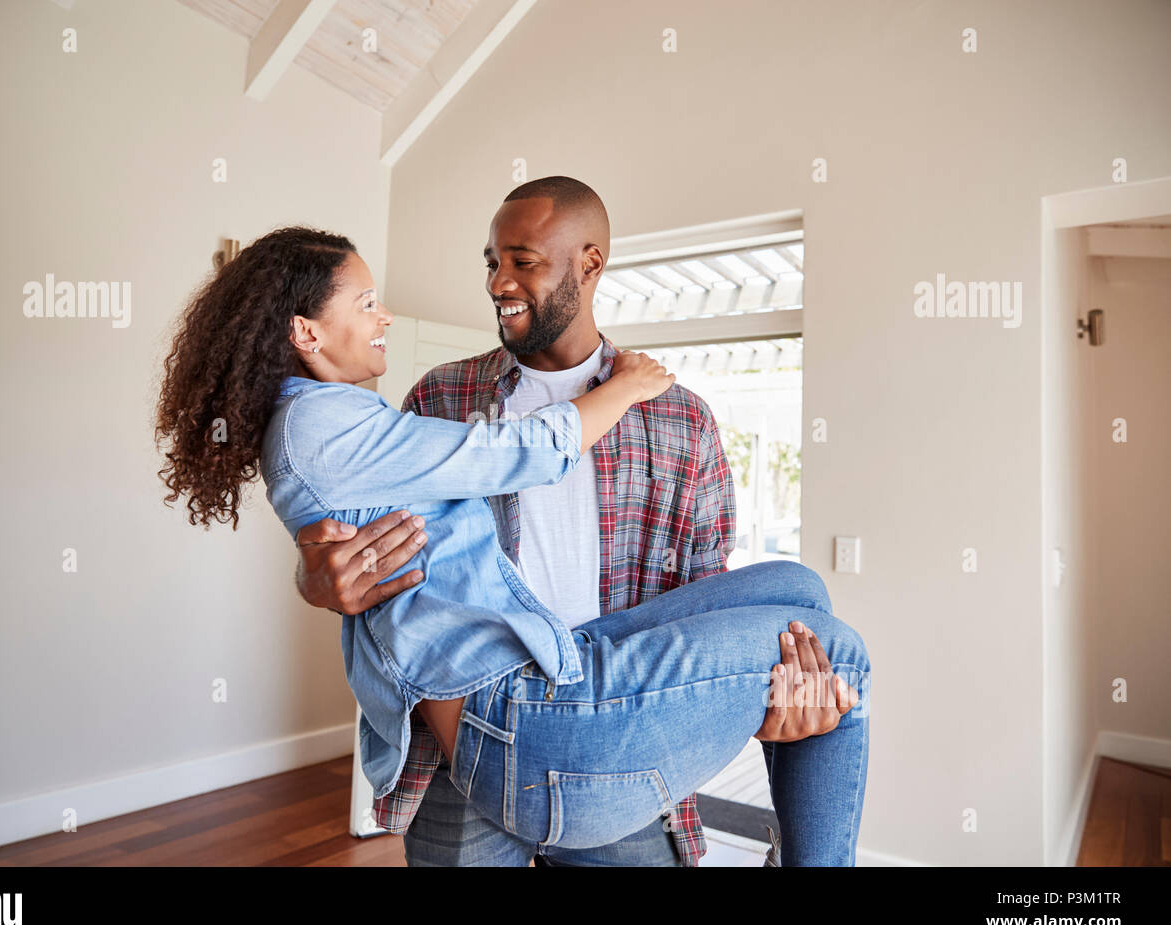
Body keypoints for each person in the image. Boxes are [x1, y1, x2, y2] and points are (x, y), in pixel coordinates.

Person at [155, 223, 872, 866]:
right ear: (306, 332)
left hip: (596, 683)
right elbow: (403, 500)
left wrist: (771, 712)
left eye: (521, 260)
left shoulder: (681, 419)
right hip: (498, 730)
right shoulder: (431, 399)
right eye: (492, 260)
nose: (498, 281)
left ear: (588, 264)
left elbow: (702, 597)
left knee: (803, 597)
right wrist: (314, 581)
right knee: (845, 649)